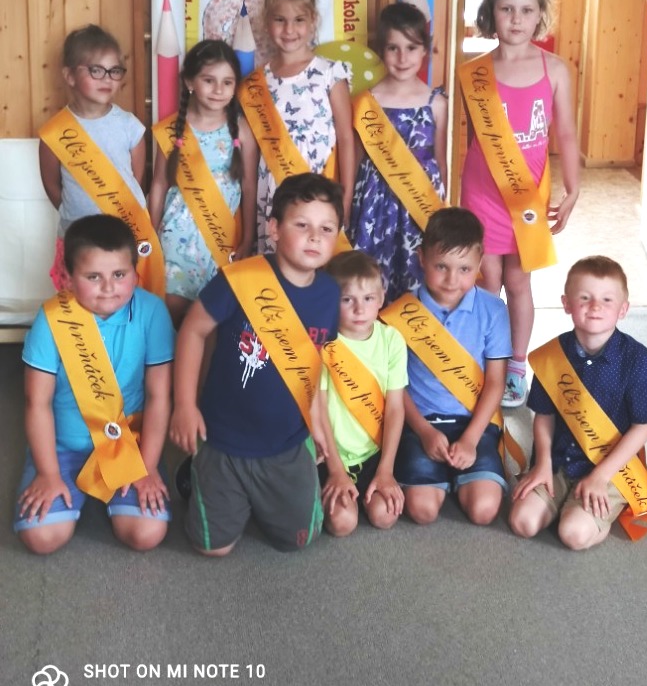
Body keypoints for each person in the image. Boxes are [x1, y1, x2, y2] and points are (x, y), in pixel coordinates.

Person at [170, 173, 342, 556]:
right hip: (223, 439)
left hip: (286, 443)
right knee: (213, 550)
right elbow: (193, 330)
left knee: (298, 541)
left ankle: (249, 496)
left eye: (326, 229)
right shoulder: (240, 279)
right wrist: (184, 405)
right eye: (302, 225)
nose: (315, 237)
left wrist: (316, 425)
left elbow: (313, 367)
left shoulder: (331, 295)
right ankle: (198, 473)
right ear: (274, 229)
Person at [14, 215, 174, 554]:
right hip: (63, 446)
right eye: (93, 277)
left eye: (119, 274)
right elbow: (36, 403)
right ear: (68, 277)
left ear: (136, 273)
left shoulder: (152, 312)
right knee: (42, 538)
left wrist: (146, 467)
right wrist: (47, 473)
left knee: (146, 533)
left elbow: (159, 396)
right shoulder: (51, 317)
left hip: (127, 445)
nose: (109, 287)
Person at [458, 0, 580, 408]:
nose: (516, 18)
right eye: (507, 8)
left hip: (527, 197)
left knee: (518, 281)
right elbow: (474, 140)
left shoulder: (556, 70)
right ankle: (484, 360)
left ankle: (515, 366)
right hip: (481, 193)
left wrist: (573, 188)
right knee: (485, 279)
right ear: (491, 12)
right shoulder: (473, 73)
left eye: (526, 10)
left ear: (540, 14)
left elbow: (566, 134)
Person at [509, 256, 647, 550]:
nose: (595, 307)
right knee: (522, 522)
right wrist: (542, 464)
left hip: (610, 468)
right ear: (566, 303)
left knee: (573, 534)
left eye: (607, 299)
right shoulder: (552, 356)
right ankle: (565, 501)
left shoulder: (640, 362)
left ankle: (598, 507)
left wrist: (600, 477)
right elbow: (543, 416)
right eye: (584, 298)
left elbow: (642, 428)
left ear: (623, 309)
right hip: (558, 462)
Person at [380, 207, 512, 526]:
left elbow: (496, 383)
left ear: (480, 264)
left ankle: (463, 476)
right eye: (441, 266)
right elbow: (394, 386)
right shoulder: (400, 313)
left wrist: (470, 439)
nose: (452, 280)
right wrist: (424, 431)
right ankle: (445, 478)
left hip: (475, 424)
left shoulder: (494, 311)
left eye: (464, 269)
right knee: (422, 511)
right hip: (421, 423)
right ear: (421, 259)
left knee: (484, 511)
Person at [238, 0, 355, 254]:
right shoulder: (255, 84)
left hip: (321, 196)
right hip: (273, 197)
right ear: (266, 21)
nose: (289, 29)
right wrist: (247, 232)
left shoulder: (330, 73)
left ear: (313, 20)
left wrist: (346, 200)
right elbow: (249, 168)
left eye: (299, 20)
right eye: (280, 20)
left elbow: (346, 139)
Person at [149, 39, 258, 328]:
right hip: (174, 241)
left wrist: (248, 238)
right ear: (189, 82)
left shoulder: (242, 131)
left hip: (221, 240)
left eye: (227, 82)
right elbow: (159, 184)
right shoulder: (171, 130)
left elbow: (249, 186)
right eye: (209, 80)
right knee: (170, 314)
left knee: (212, 320)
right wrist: (151, 234)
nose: (218, 90)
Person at [38, 25, 154, 292]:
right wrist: (75, 210)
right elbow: (52, 186)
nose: (107, 79)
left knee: (119, 293)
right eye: (96, 70)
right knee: (77, 298)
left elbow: (135, 178)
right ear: (69, 76)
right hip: (77, 234)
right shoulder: (54, 133)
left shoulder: (130, 126)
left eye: (114, 71)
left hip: (123, 233)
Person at [349, 2, 448, 303]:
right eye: (393, 48)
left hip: (420, 204)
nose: (402, 58)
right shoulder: (366, 102)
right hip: (375, 206)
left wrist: (445, 210)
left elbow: (442, 161)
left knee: (416, 274)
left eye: (411, 47)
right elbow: (356, 160)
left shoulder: (437, 103)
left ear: (425, 50)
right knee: (371, 277)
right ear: (382, 50)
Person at [316, 251, 408, 536]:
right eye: (347, 300)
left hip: (374, 454)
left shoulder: (392, 340)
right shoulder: (322, 343)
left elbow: (395, 408)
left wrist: (386, 470)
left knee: (384, 515)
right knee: (343, 522)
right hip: (331, 455)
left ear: (381, 298)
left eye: (368, 298)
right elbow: (318, 410)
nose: (359, 309)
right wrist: (335, 470)